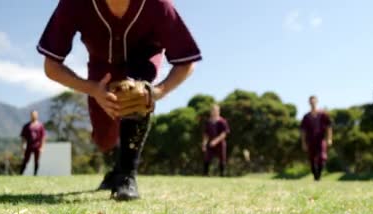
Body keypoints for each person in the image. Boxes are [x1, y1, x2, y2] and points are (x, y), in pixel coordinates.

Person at [37, 0, 202, 200]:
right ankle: (117, 166)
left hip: (144, 56)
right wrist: (93, 90)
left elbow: (186, 62)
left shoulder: (158, 5)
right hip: (102, 65)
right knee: (104, 139)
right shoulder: (74, 4)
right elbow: (51, 66)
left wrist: (157, 92)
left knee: (135, 94)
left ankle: (127, 176)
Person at [300, 96, 333, 181]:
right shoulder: (306, 117)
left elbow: (329, 127)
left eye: (314, 101)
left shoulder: (323, 114)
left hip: (321, 139)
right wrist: (303, 142)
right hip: (310, 140)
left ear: (317, 102)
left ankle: (319, 175)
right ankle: (315, 176)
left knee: (322, 157)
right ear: (309, 103)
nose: (313, 103)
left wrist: (329, 138)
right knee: (312, 158)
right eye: (311, 102)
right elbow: (303, 130)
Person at [202, 105, 230, 176]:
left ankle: (222, 174)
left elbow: (224, 133)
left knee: (222, 159)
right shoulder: (208, 122)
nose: (214, 112)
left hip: (220, 143)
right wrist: (204, 144)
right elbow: (206, 134)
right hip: (210, 143)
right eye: (212, 110)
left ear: (218, 111)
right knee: (207, 158)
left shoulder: (222, 121)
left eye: (215, 110)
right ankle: (205, 174)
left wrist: (216, 141)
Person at [20, 111, 46, 176]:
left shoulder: (40, 125)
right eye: (32, 114)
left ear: (37, 115)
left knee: (36, 161)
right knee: (25, 160)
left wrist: (42, 147)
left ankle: (35, 174)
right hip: (29, 145)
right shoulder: (26, 126)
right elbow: (23, 137)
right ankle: (20, 174)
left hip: (37, 145)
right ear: (30, 115)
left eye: (35, 114)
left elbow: (43, 137)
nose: (33, 116)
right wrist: (23, 146)